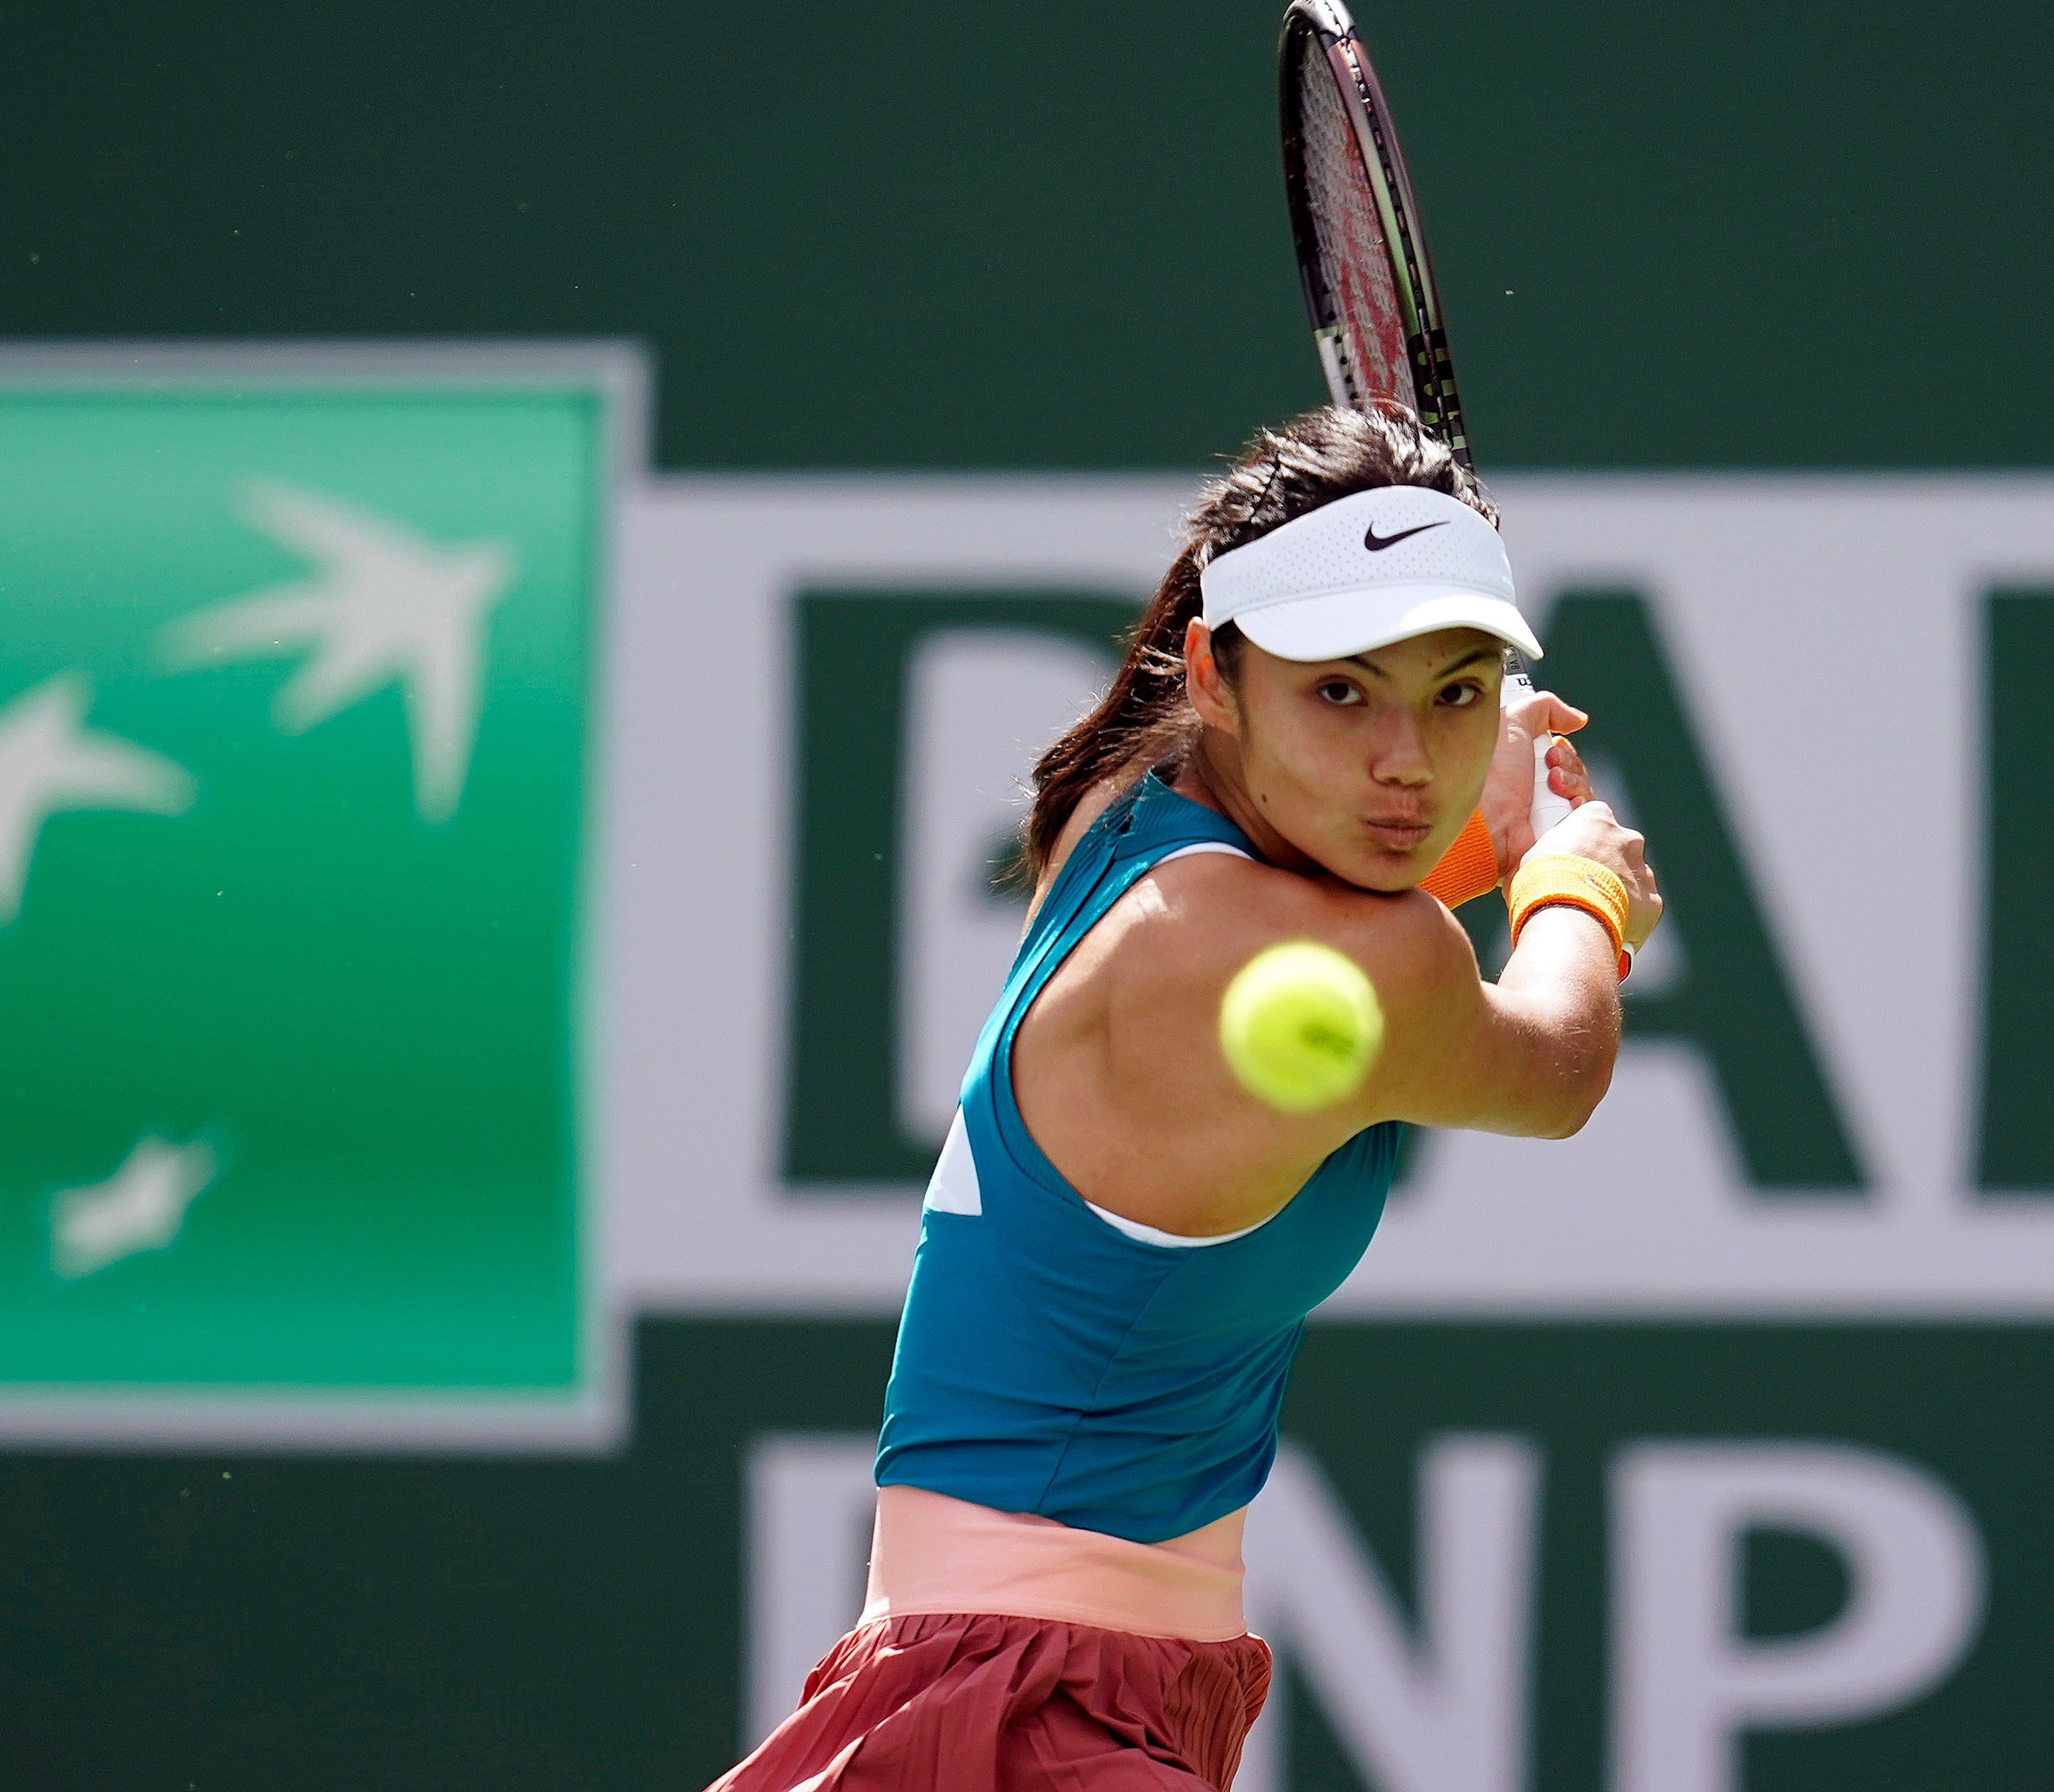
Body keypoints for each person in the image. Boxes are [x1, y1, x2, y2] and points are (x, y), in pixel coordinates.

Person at [709, 403, 1663, 1792]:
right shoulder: (1362, 962)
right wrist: (1573, 873)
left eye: (1450, 693)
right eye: (1342, 691)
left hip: (1007, 1685)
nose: (1403, 760)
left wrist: (1477, 803)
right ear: (1217, 673)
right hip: (1031, 1718)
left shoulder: (1125, 808)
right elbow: (1557, 1058)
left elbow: (1344, 855)